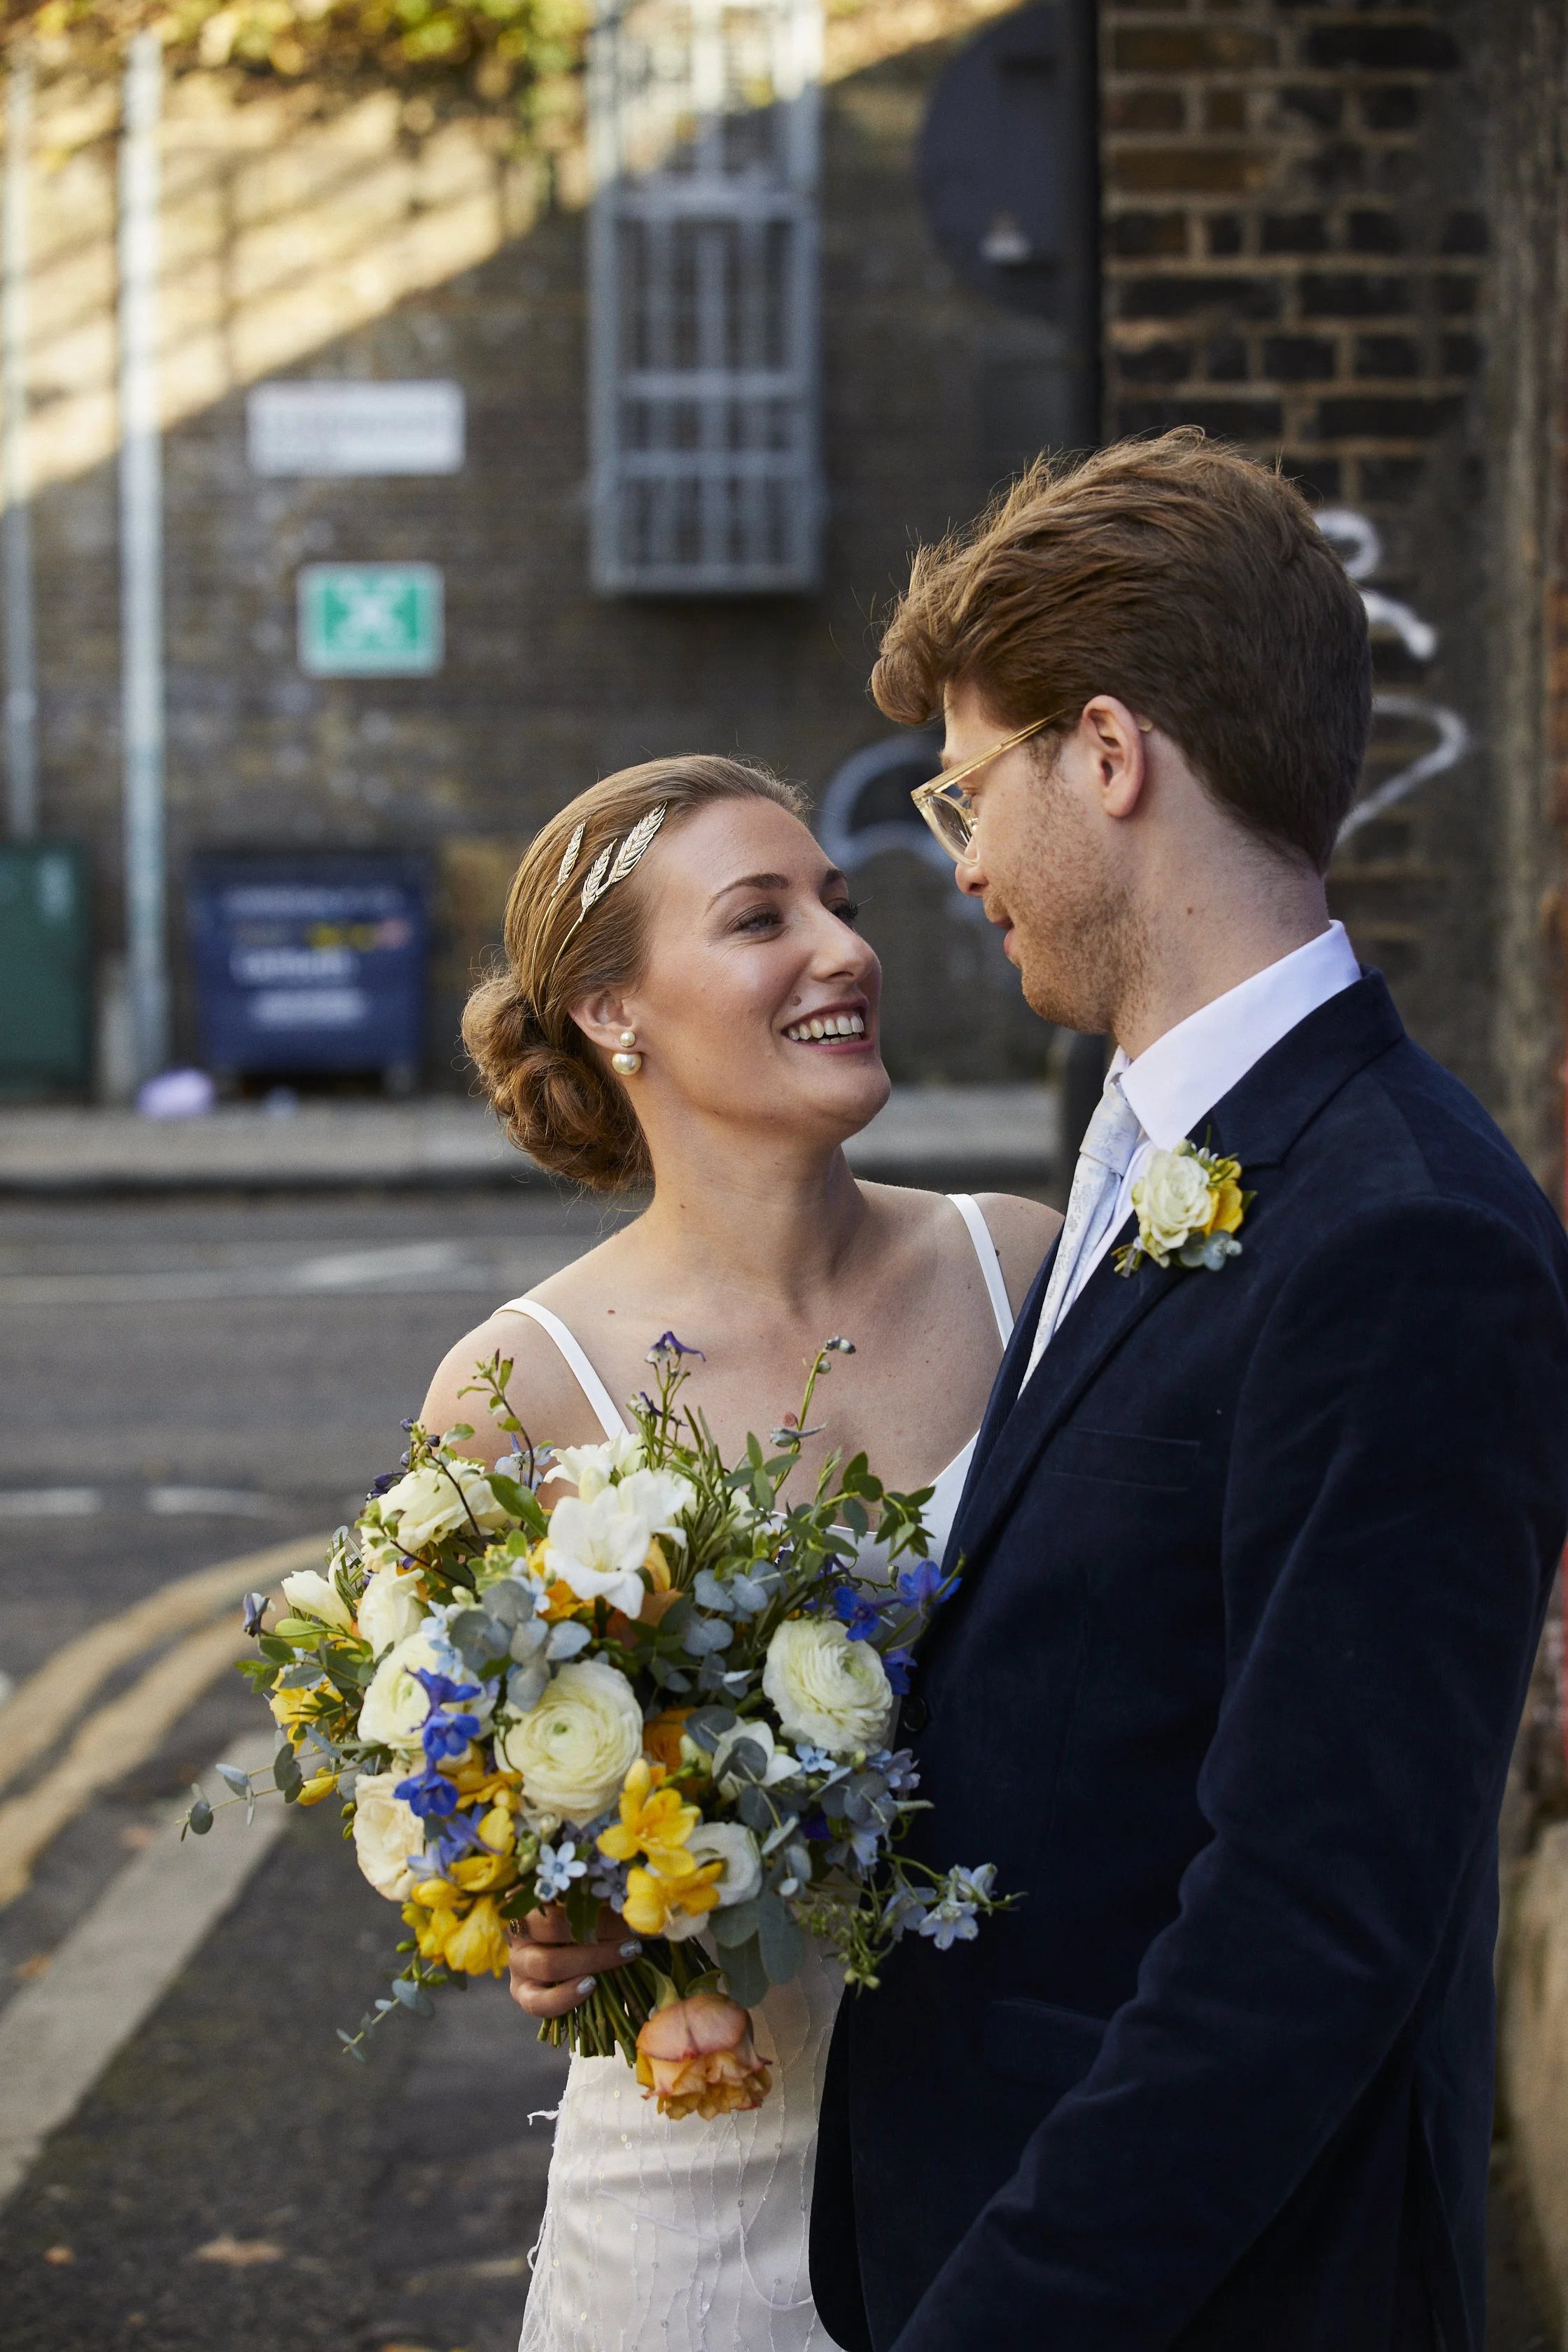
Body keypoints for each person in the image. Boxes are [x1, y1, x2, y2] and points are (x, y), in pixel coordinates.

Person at [807, 428, 1568, 2352]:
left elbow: (1310, 1924)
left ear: (1114, 755)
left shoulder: (1407, 1231)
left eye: (971, 789)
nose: (958, 856)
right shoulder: (1152, 1134)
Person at [417, 752, 1060, 2352]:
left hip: (1036, 2157)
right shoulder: (517, 1389)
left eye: (838, 907)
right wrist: (539, 1914)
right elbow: (460, 1806)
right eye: (761, 918)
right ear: (613, 1014)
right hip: (701, 2194)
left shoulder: (1024, 1270)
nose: (845, 950)